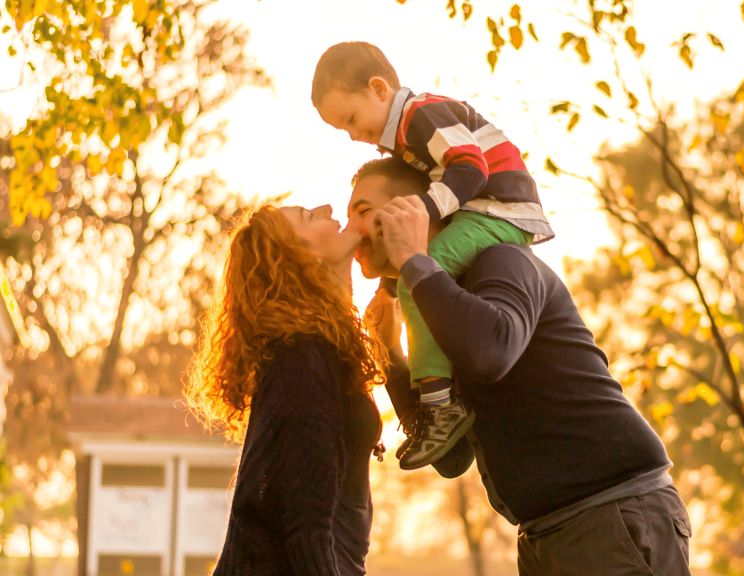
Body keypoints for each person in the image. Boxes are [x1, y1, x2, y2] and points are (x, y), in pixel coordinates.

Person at [349, 158, 693, 575]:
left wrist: (414, 263)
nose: (352, 230)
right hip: (544, 532)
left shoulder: (501, 260)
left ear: (417, 208)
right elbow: (451, 456)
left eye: (363, 212)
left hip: (612, 512)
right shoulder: (434, 305)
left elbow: (492, 351)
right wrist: (391, 354)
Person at [311, 41, 555, 470]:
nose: (352, 135)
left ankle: (443, 408)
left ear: (379, 88)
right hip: (540, 519)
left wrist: (421, 212)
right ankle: (439, 409)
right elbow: (452, 462)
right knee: (415, 281)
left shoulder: (420, 114)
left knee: (419, 276)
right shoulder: (404, 133)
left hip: (500, 205)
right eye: (341, 130)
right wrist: (387, 332)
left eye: (351, 119)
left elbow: (470, 167)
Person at [186, 204, 385, 575]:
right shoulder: (301, 362)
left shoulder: (325, 349)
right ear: (300, 257)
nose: (327, 208)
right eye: (309, 217)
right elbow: (305, 530)